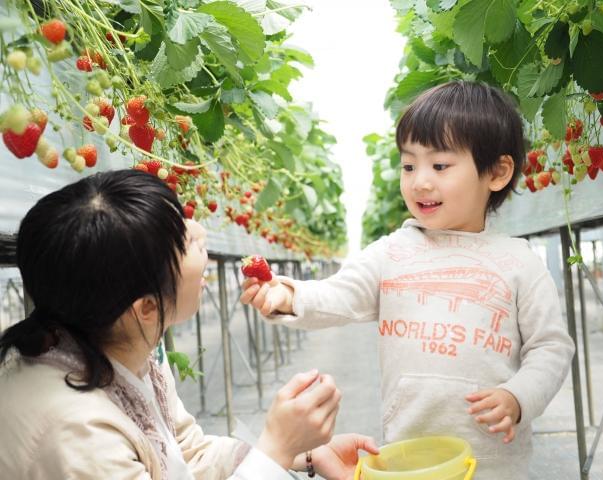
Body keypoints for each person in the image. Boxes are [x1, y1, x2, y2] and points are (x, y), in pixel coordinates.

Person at [240, 81, 576, 479]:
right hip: (408, 457)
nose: (419, 181)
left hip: (494, 464)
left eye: (440, 166)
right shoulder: (393, 252)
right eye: (409, 165)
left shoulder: (519, 262)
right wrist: (288, 294)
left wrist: (518, 397)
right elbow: (339, 292)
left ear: (497, 173)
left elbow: (551, 348)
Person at [0, 169, 379, 480]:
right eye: (182, 240)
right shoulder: (78, 435)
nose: (199, 231)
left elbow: (183, 453)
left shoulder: (126, 346)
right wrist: (275, 447)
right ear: (146, 308)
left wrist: (303, 452)